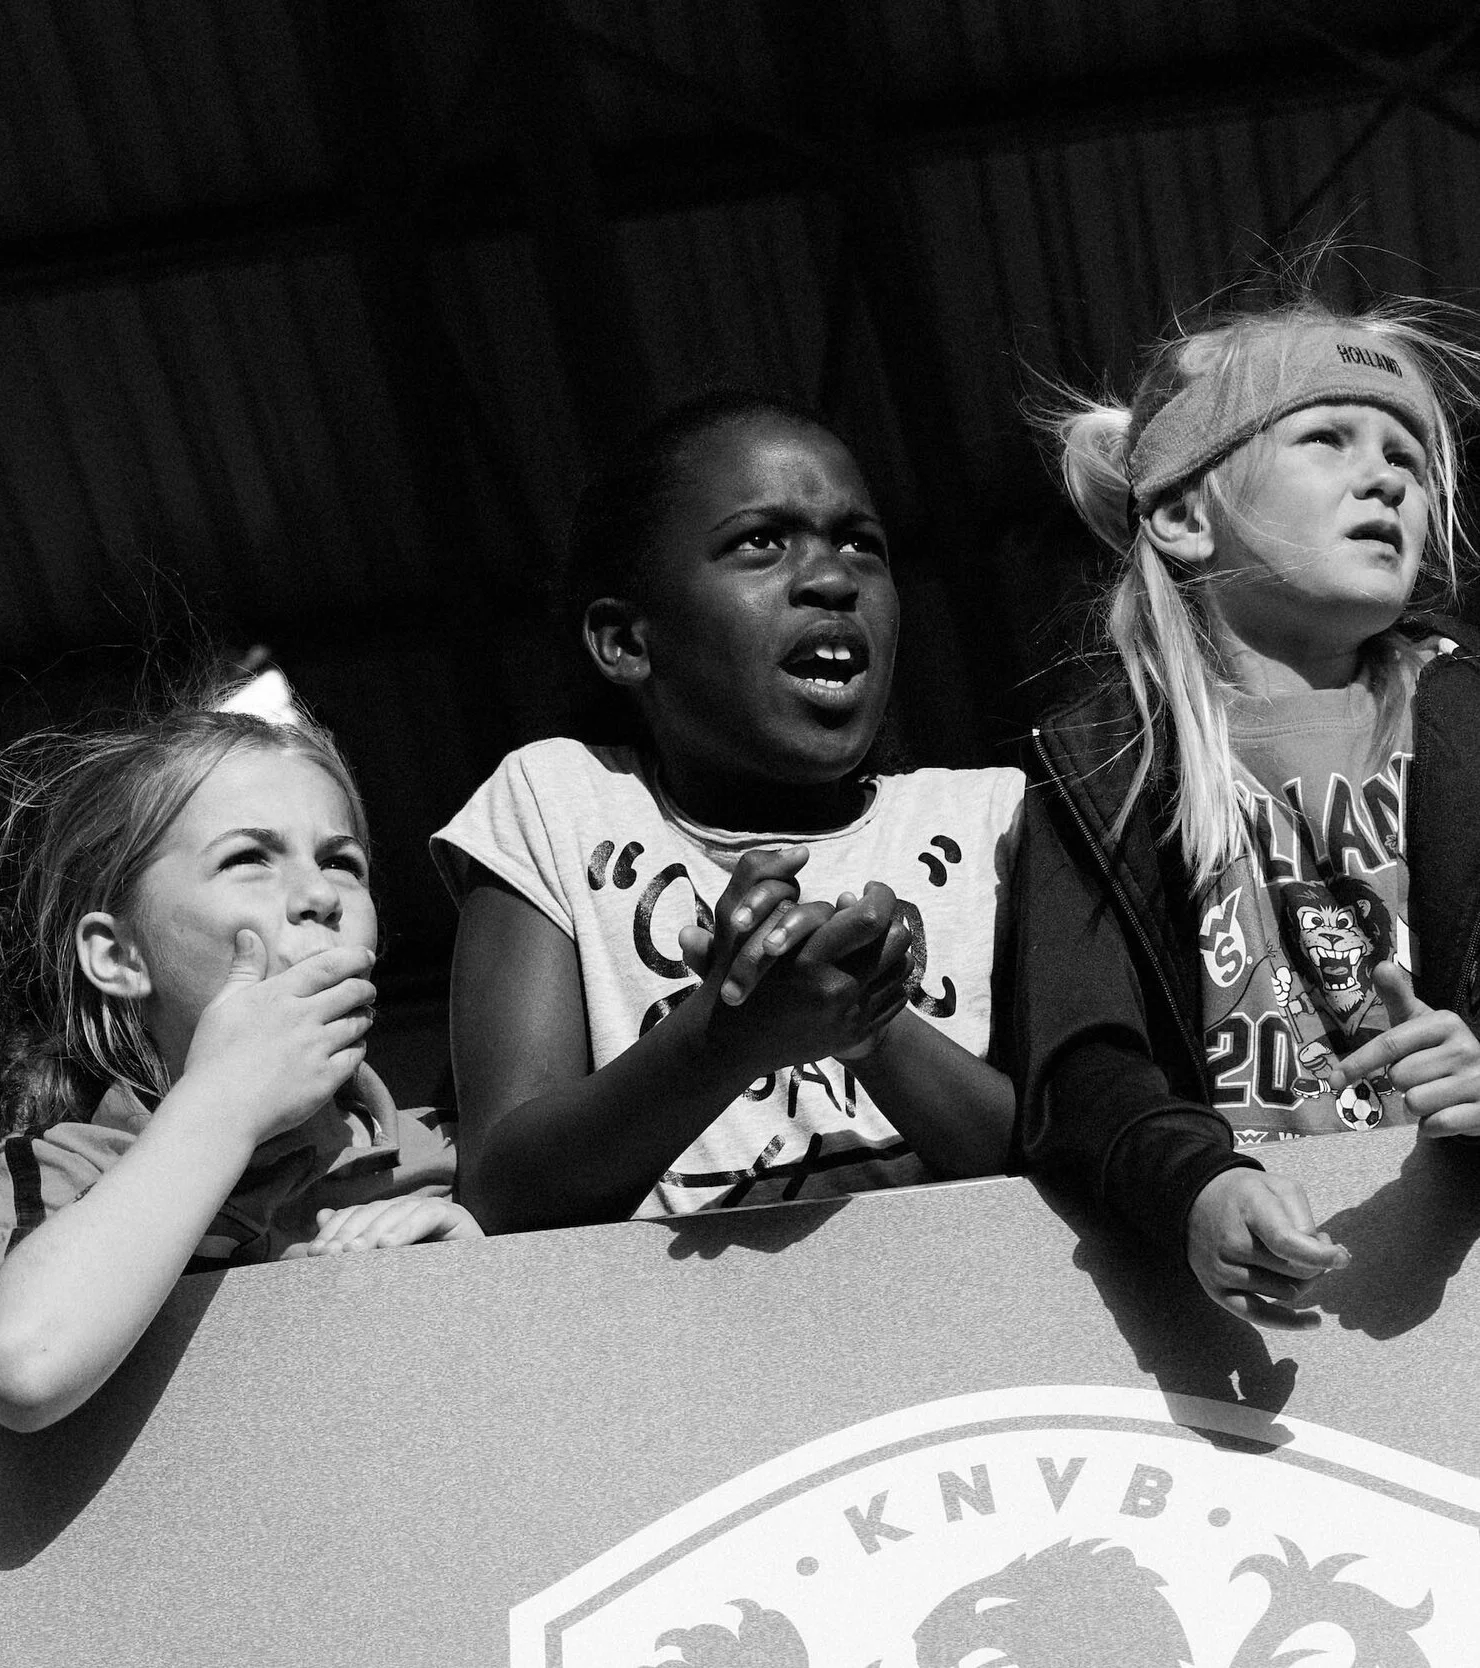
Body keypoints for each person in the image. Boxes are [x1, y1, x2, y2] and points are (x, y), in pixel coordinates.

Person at [434, 393, 1021, 1231]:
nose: (831, 577)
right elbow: (504, 1192)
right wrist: (725, 1035)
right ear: (627, 642)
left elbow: (1077, 1152)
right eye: (760, 542)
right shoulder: (554, 804)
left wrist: (870, 1028)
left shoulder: (996, 820)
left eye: (862, 543)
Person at [1017, 294, 1480, 1316]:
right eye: (1329, 438)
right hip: (1234, 1315)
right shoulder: (1099, 763)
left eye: (1407, 456)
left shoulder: (1470, 732)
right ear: (1183, 516)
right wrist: (1195, 1185)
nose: (1385, 477)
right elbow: (1078, 1064)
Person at [0, 690, 474, 1435]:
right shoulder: (61, 1174)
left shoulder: (453, 1148)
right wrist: (227, 1101)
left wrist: (480, 1277)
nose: (320, 894)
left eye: (341, 861)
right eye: (249, 858)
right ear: (118, 956)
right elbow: (25, 1366)